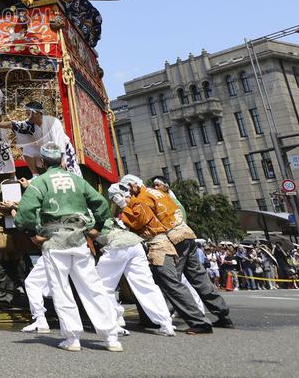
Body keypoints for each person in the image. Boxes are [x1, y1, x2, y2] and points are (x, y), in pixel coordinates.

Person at [15, 143, 122, 353]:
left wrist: (31, 235)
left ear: (43, 162)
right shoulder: (77, 180)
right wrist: (97, 227)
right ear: (63, 161)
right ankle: (111, 337)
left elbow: (25, 214)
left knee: (61, 289)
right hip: (79, 240)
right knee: (92, 286)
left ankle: (73, 338)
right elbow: (100, 203)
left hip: (54, 242)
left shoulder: (40, 182)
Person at [116, 175, 213, 334]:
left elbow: (138, 221)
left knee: (171, 283)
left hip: (161, 243)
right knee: (164, 282)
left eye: (126, 190)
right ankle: (152, 319)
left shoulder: (142, 198)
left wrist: (124, 206)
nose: (127, 194)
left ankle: (198, 321)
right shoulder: (158, 194)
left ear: (133, 185)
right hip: (177, 234)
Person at [97, 184, 175, 336]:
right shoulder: (133, 201)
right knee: (146, 285)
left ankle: (115, 322)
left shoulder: (133, 203)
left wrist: (123, 205)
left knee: (102, 285)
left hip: (119, 245)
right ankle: (166, 323)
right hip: (136, 245)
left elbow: (138, 220)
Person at [0, 101, 79, 177]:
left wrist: (62, 160)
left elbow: (59, 143)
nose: (28, 117)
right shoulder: (31, 125)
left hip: (63, 151)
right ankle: (35, 175)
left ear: (37, 113)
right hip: (47, 151)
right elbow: (13, 124)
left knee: (73, 175)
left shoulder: (53, 122)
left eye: (29, 114)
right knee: (27, 149)